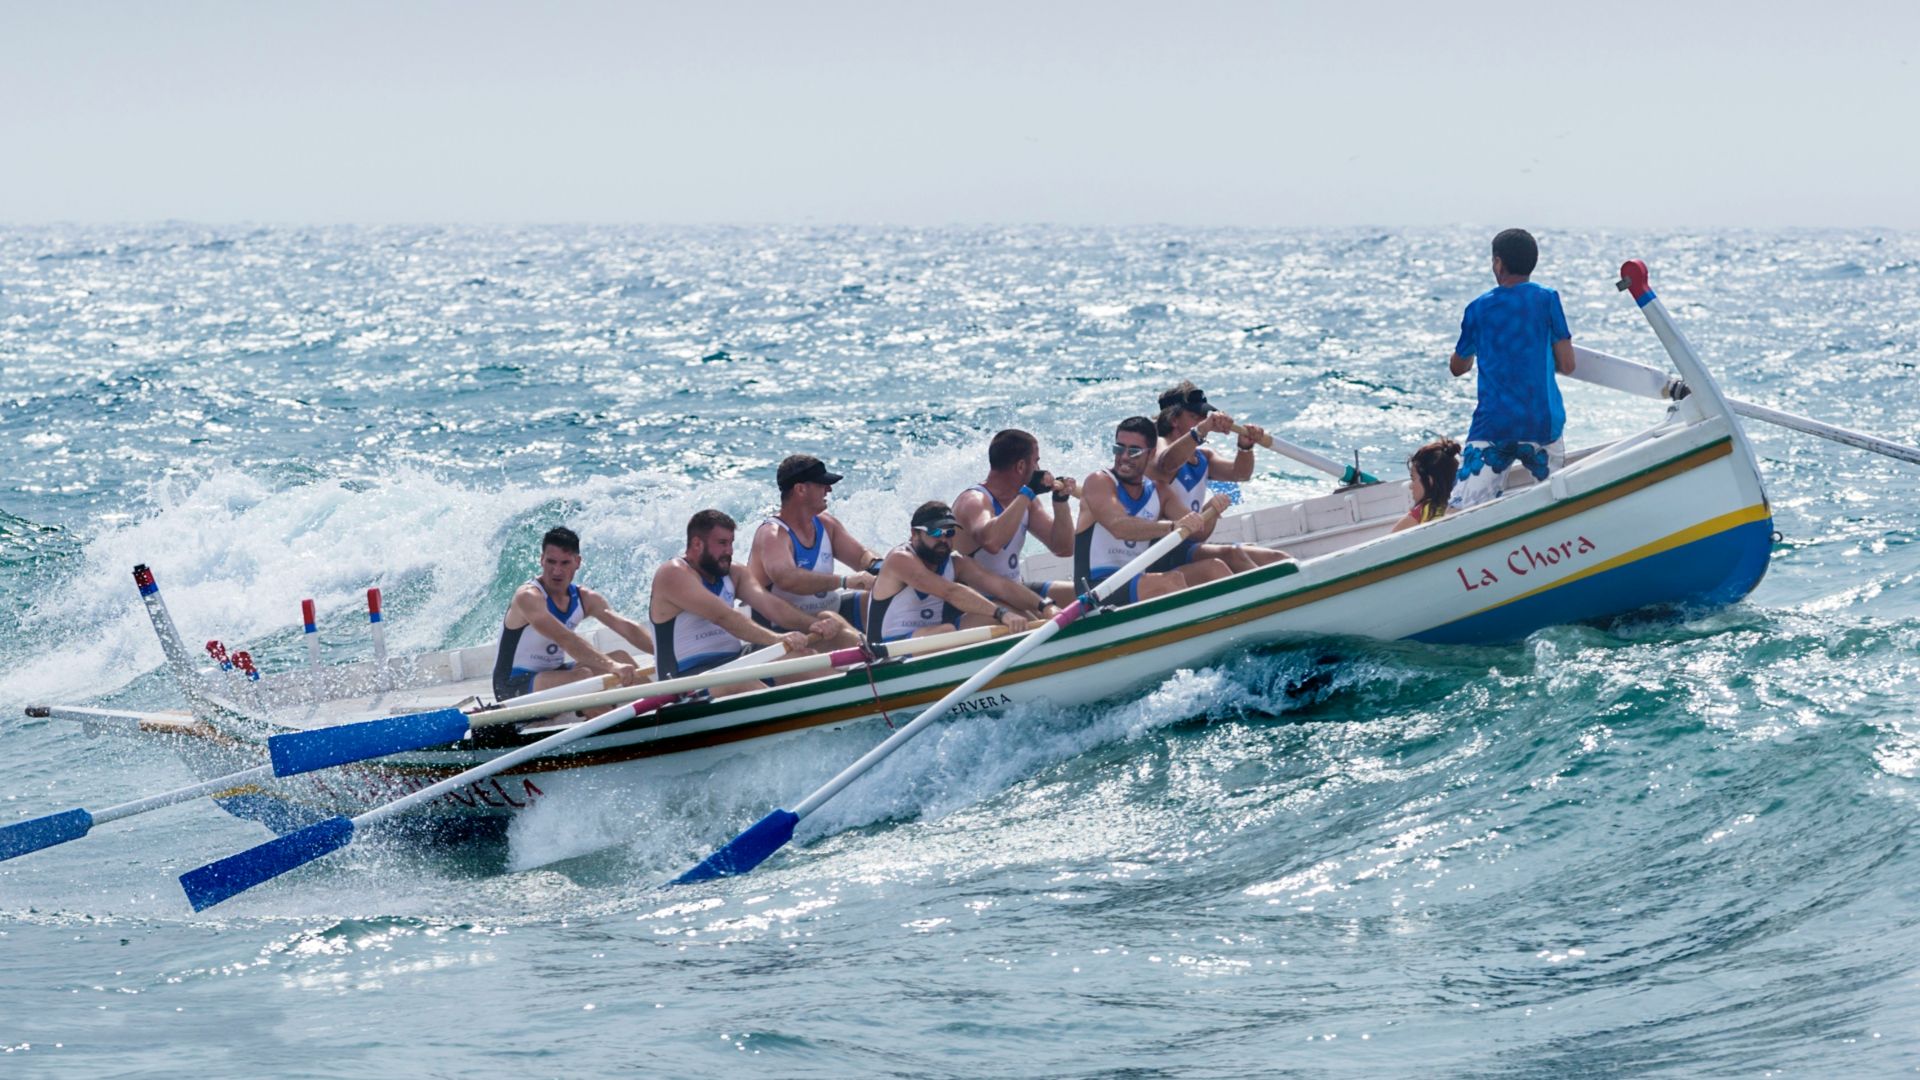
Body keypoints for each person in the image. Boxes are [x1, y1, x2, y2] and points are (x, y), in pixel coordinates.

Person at [1446, 228, 1576, 509]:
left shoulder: (1477, 309)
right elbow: (1567, 364)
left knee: (1462, 509)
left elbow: (1458, 367)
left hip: (1493, 426)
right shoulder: (1547, 299)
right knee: (1558, 499)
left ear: (1498, 263)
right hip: (1542, 425)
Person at [649, 509, 836, 694]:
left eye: (731, 543)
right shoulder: (673, 573)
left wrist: (815, 624)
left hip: (735, 662)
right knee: (740, 683)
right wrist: (777, 639)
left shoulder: (734, 572)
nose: (729, 551)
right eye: (722, 543)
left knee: (803, 658)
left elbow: (772, 606)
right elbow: (724, 617)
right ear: (697, 544)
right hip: (683, 680)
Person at [1075, 416, 1233, 605]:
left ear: (1150, 454)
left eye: (1133, 451)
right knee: (1170, 582)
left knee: (1214, 568)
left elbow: (1199, 532)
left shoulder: (1160, 491)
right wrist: (1172, 527)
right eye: (1119, 448)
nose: (1124, 456)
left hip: (1135, 582)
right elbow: (1119, 527)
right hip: (1097, 588)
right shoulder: (1099, 482)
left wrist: (1211, 509)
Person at [492, 526, 652, 702]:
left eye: (565, 563)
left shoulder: (585, 598)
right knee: (583, 677)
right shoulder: (528, 596)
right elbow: (564, 638)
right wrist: (612, 666)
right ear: (541, 560)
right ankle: (610, 721)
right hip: (512, 686)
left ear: (577, 562)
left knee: (621, 657)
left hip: (553, 674)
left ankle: (657, 707)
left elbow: (626, 627)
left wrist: (662, 652)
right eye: (551, 562)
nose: (557, 571)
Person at [1148, 382, 1291, 572]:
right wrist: (1201, 430)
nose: (1201, 420)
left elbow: (1240, 474)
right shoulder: (1157, 445)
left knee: (1277, 558)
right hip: (1159, 551)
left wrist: (1245, 447)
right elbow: (1167, 464)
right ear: (1174, 420)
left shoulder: (1203, 456)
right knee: (1233, 554)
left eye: (1203, 416)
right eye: (1194, 416)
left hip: (1188, 544)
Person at [748, 453, 882, 646]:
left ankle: (901, 648)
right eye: (821, 485)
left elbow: (861, 556)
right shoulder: (773, 535)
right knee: (829, 618)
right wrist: (845, 581)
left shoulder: (826, 524)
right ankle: (876, 657)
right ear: (800, 489)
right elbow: (787, 579)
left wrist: (879, 566)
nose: (829, 489)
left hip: (827, 615)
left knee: (877, 599)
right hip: (783, 629)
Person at [867, 502, 1040, 643]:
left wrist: (1046, 606)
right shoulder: (900, 559)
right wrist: (1001, 614)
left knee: (1011, 609)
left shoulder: (957, 563)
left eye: (949, 533)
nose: (943, 539)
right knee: (948, 630)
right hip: (889, 649)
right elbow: (950, 592)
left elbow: (1001, 586)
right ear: (915, 534)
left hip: (933, 638)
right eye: (935, 532)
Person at [952, 429, 1076, 611]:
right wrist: (1027, 493)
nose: (1039, 469)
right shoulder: (973, 501)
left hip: (1016, 590)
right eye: (1036, 462)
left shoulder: (1028, 501)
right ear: (1020, 467)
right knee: (1034, 616)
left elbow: (1064, 549)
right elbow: (992, 542)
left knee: (1085, 596)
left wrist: (1060, 502)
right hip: (978, 601)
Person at [1391, 438, 1462, 533]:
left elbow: (1389, 541)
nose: (1411, 486)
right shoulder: (1462, 503)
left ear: (1429, 481)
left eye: (1413, 479)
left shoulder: (1420, 513)